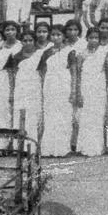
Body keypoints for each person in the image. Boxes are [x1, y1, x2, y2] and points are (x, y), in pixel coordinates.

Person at [40, 24, 75, 157]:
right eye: (53, 35)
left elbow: (73, 71)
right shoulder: (47, 52)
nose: (56, 37)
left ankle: (62, 148)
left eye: (59, 35)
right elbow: (43, 71)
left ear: (64, 36)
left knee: (64, 116)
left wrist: (72, 90)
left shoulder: (70, 51)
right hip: (50, 85)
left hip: (64, 84)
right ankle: (48, 149)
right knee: (50, 116)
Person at [74, 27, 108, 156]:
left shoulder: (104, 52)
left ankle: (99, 146)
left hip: (99, 88)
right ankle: (85, 147)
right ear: (87, 38)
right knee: (86, 118)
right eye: (91, 38)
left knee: (99, 117)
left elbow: (107, 71)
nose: (94, 40)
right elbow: (78, 74)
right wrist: (78, 92)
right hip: (85, 87)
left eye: (96, 38)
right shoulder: (81, 54)